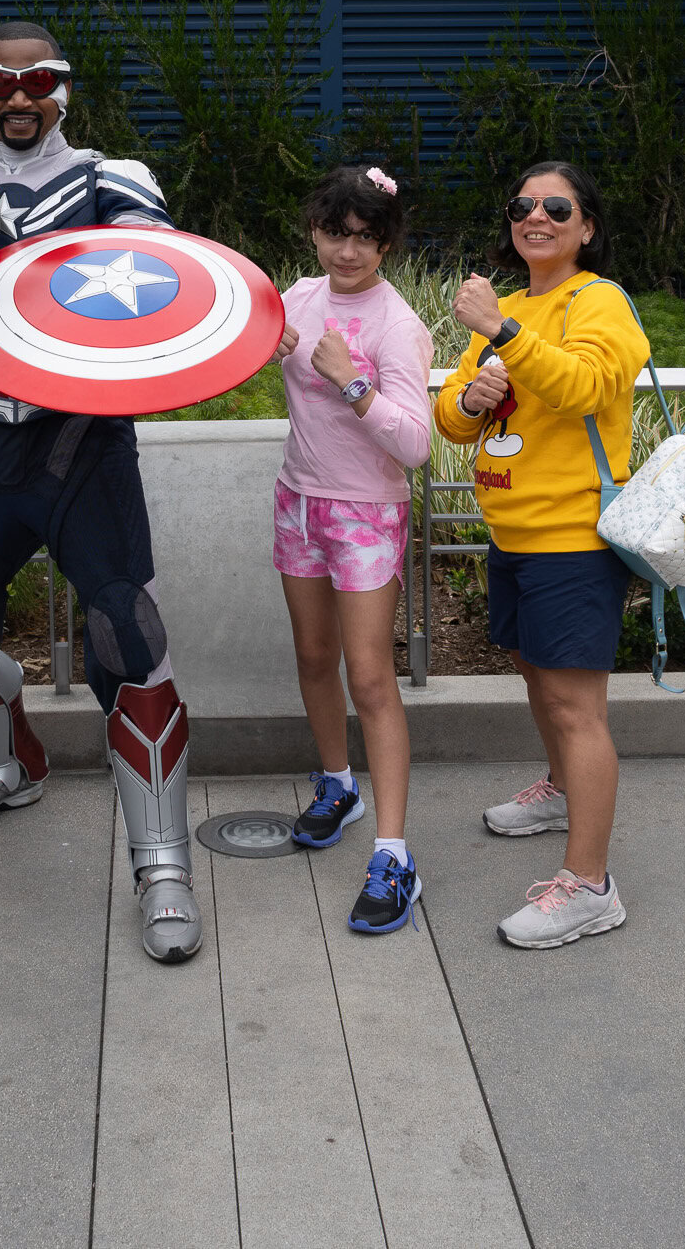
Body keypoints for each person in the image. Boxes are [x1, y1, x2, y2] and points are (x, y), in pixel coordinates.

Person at [0, 20, 204, 964]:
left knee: (127, 639)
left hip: (84, 445)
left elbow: (164, 284)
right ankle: (11, 761)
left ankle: (163, 863)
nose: (19, 98)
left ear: (64, 89)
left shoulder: (115, 179)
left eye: (38, 81)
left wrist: (20, 242)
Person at [433, 161, 647, 949]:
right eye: (523, 204)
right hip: (513, 534)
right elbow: (451, 422)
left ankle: (590, 885)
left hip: (574, 538)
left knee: (574, 706)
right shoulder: (512, 305)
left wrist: (503, 335)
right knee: (533, 671)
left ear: (587, 226)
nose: (538, 215)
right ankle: (560, 790)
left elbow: (588, 387)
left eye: (558, 206)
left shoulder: (598, 301)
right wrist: (469, 398)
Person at [269, 165, 434, 935]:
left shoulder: (397, 324)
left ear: (388, 244)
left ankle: (395, 856)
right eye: (336, 233)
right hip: (298, 499)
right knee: (312, 656)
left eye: (365, 238)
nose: (348, 251)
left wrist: (352, 382)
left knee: (370, 677)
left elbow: (417, 444)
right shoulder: (299, 298)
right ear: (315, 231)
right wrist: (271, 344)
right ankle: (338, 784)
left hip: (366, 514)